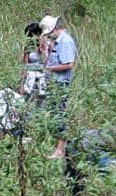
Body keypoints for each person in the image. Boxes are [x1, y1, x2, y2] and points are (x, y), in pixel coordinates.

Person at [40, 15, 77, 158]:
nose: (49, 36)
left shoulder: (65, 41)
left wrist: (49, 69)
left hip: (61, 83)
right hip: (54, 83)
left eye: (49, 33)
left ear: (55, 29)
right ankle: (57, 146)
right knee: (54, 114)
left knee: (59, 114)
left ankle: (60, 149)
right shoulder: (57, 42)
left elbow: (69, 64)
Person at [20, 22, 47, 102]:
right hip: (31, 76)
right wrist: (21, 84)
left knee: (42, 100)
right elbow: (25, 64)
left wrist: (40, 48)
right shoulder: (28, 47)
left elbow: (46, 61)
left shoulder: (47, 44)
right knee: (28, 98)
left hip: (43, 76)